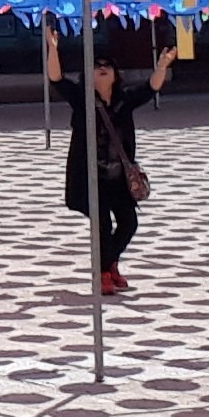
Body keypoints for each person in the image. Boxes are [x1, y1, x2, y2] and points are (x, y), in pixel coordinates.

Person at [63, 59, 153, 295]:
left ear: (115, 74)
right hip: (91, 178)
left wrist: (162, 66)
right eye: (96, 65)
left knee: (129, 223)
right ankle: (103, 273)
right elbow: (56, 80)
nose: (102, 68)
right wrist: (53, 49)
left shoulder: (124, 99)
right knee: (102, 223)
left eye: (108, 65)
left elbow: (149, 88)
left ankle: (109, 263)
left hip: (118, 178)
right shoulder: (82, 100)